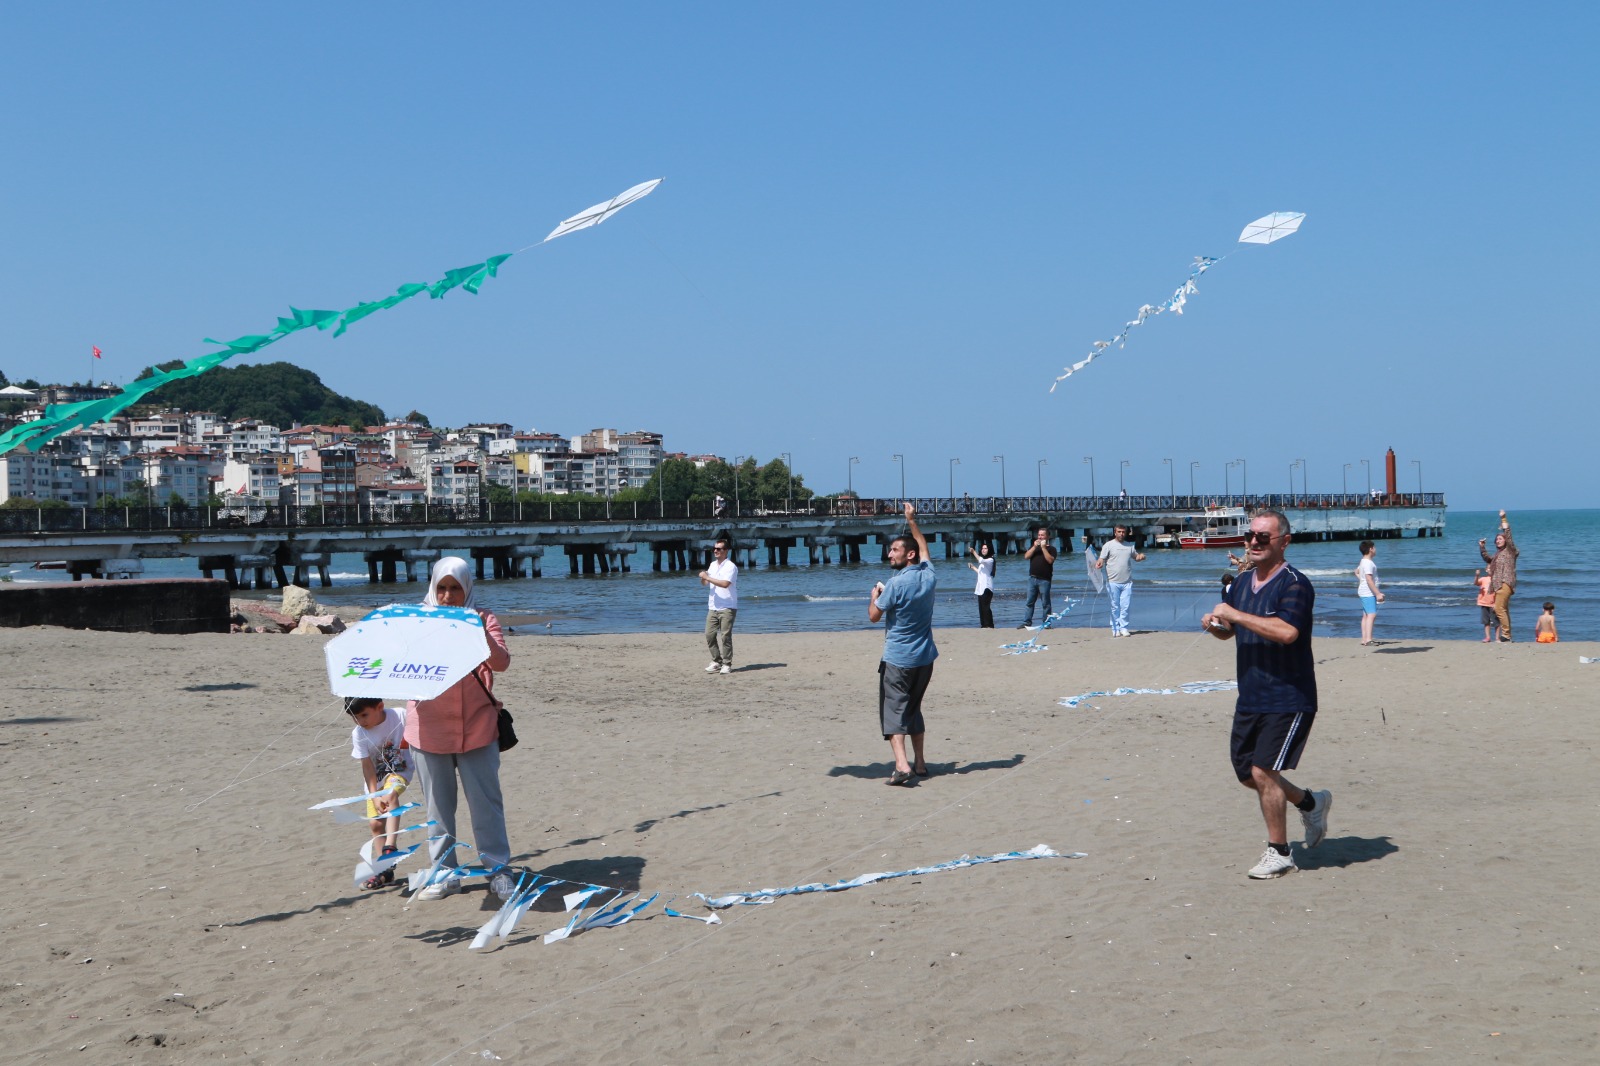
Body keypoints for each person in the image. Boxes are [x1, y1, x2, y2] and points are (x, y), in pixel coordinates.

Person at [1201, 508, 1330, 880]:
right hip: (1251, 695)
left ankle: (1280, 852)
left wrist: (1236, 617)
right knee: (1247, 774)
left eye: (1263, 537)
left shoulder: (1295, 584)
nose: (1254, 542)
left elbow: (1287, 632)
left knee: (1263, 770)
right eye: (1250, 536)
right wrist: (1216, 625)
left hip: (1289, 695)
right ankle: (1310, 802)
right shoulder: (1242, 583)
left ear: (1284, 542)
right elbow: (1233, 631)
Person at [406, 557, 515, 901]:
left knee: (486, 805)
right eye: (442, 588)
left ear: (466, 588)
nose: (449, 595)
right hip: (429, 728)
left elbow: (501, 662)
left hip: (478, 727)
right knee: (438, 808)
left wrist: (476, 629)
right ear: (433, 589)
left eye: (455, 588)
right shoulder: (415, 621)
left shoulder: (483, 618)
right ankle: (445, 874)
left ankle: (498, 870)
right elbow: (401, 664)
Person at [869, 502, 936, 786]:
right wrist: (911, 521)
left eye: (894, 550)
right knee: (914, 709)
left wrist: (874, 594)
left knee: (894, 712)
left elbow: (874, 616)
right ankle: (920, 763)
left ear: (908, 555)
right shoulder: (928, 576)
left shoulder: (895, 584)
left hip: (899, 658)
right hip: (925, 658)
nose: (889, 554)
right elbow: (923, 547)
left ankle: (902, 765)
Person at [347, 696, 412, 890]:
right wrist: (374, 795)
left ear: (380, 707)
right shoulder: (359, 733)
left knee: (390, 795)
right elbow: (367, 767)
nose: (361, 721)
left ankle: (390, 848)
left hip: (400, 772)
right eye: (355, 718)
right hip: (375, 781)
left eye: (364, 715)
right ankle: (385, 872)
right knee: (375, 824)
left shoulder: (399, 715)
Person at [1095, 524, 1146, 637]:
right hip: (1113, 582)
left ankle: (1124, 628)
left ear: (1126, 533)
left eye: (1123, 532)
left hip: (1127, 582)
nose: (1121, 534)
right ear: (1115, 532)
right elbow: (1101, 559)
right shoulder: (1108, 545)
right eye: (1119, 531)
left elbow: (1136, 557)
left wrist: (1141, 556)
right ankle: (1115, 628)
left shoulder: (1129, 546)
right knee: (1115, 607)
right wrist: (1099, 563)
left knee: (1125, 607)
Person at [699, 537, 738, 674]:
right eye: (714, 548)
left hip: (727, 606)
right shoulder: (712, 565)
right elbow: (706, 583)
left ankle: (727, 663)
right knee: (709, 634)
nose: (715, 551)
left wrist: (707, 577)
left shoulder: (730, 566)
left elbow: (725, 584)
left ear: (726, 551)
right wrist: (703, 578)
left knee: (725, 636)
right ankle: (716, 661)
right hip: (713, 606)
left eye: (719, 549)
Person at [1479, 510, 1518, 641]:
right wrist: (1482, 547)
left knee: (1498, 608)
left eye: (1500, 539)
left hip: (1505, 582)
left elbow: (1509, 533)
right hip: (1497, 585)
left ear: (1506, 541)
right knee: (1504, 609)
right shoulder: (1497, 555)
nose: (1498, 541)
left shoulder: (1510, 551)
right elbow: (1488, 559)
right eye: (1496, 540)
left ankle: (1506, 635)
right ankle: (1507, 635)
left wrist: (1504, 518)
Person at [1018, 527, 1056, 628]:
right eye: (1039, 535)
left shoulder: (1051, 549)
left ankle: (1046, 623)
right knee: (1029, 602)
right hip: (1032, 578)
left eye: (1042, 535)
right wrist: (1034, 547)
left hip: (1044, 579)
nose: (1040, 537)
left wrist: (1043, 548)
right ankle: (1027, 622)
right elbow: (1026, 556)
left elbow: (1050, 560)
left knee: (1046, 603)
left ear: (1047, 536)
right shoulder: (1034, 547)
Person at [1355, 540, 1384, 645]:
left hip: (1364, 591)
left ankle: (1364, 639)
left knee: (1366, 615)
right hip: (1368, 593)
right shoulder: (1368, 563)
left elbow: (1357, 572)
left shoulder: (1363, 561)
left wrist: (1361, 580)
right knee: (1371, 615)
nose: (1375, 550)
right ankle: (1368, 639)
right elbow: (1369, 580)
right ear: (1371, 549)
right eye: (1374, 548)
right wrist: (1378, 593)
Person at [968, 541, 996, 628]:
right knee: (981, 607)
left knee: (986, 607)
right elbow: (980, 573)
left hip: (987, 587)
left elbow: (980, 560)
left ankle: (989, 625)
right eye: (983, 548)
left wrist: (973, 552)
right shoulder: (984, 562)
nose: (984, 550)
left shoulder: (990, 560)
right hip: (980, 588)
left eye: (985, 548)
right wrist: (973, 567)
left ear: (989, 550)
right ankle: (983, 624)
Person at [1474, 569, 1498, 642]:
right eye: (1489, 568)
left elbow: (1498, 593)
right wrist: (1477, 575)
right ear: (1486, 570)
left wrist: (1496, 603)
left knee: (1496, 621)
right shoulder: (1483, 579)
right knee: (1486, 621)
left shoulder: (1496, 580)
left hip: (1493, 603)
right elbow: (1476, 583)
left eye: (1492, 568)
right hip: (1484, 603)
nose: (1490, 569)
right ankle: (1488, 637)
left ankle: (1497, 638)